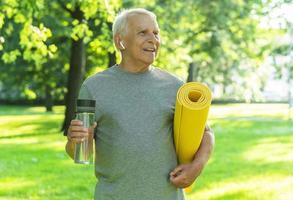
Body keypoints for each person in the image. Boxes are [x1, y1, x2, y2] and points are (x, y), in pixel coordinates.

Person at [65, 8, 215, 200]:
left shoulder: (175, 86)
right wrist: (74, 141)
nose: (153, 39)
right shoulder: (94, 87)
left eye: (156, 33)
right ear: (120, 41)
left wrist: (196, 168)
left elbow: (206, 133)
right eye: (142, 32)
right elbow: (78, 152)